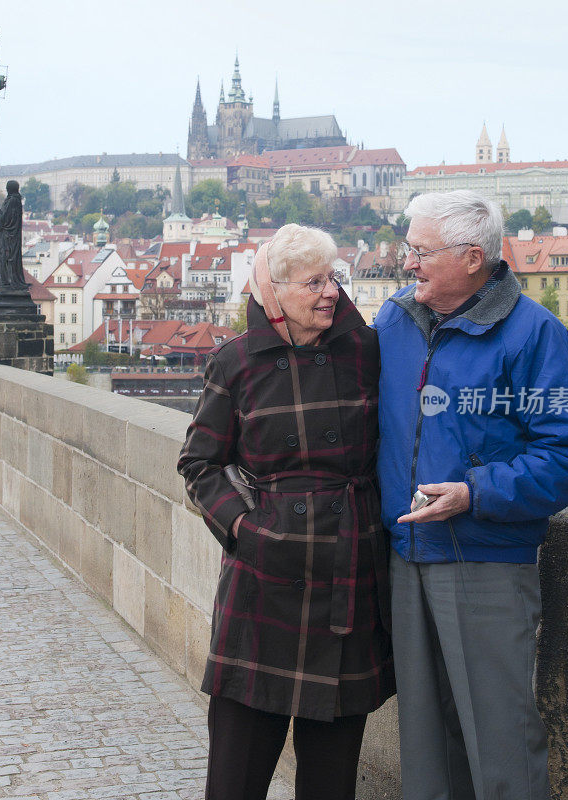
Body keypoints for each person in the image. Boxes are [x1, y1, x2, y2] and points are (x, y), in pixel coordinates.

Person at [374, 190, 568, 800]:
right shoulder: (394, 320)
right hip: (407, 554)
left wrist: (475, 493)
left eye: (420, 251)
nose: (407, 262)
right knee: (424, 747)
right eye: (408, 248)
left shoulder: (533, 334)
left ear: (472, 257)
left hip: (484, 559)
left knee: (499, 742)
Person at [178, 223, 394, 800]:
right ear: (275, 292)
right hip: (263, 587)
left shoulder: (368, 351)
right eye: (312, 282)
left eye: (332, 279)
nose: (329, 292)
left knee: (330, 782)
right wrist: (245, 529)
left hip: (347, 578)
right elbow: (199, 463)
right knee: (235, 778)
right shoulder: (237, 362)